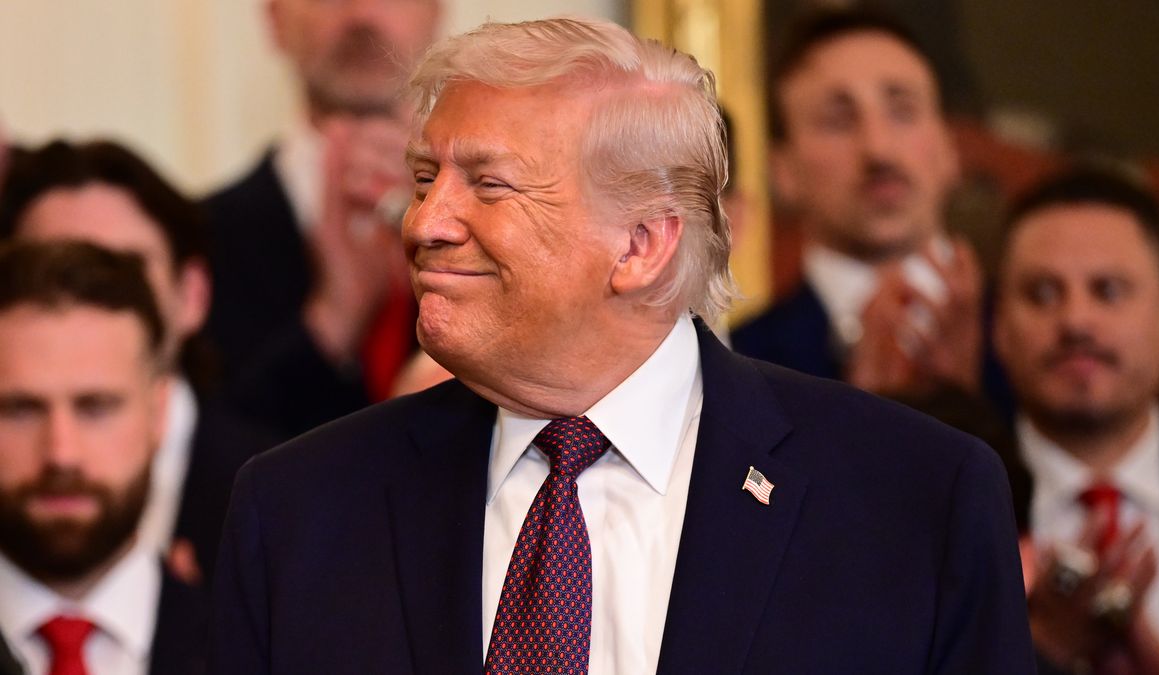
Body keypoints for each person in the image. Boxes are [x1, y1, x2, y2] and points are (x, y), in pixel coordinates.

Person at [209, 17, 1033, 674]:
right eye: (425, 180)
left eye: (486, 184)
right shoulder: (297, 512)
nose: (425, 223)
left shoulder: (917, 500)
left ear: (641, 245)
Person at [0, 140, 277, 582]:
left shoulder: (287, 485)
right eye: (50, 270)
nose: (81, 306)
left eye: (122, 270)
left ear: (191, 293)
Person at [992, 167, 1159, 674]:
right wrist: (1043, 651)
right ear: (998, 327)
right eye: (1042, 293)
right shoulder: (950, 501)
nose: (1075, 321)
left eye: (1108, 290)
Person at [204, 0, 442, 437]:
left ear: (436, 10)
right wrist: (331, 322)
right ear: (274, 19)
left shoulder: (517, 223)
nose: (362, 14)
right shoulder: (197, 238)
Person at [732, 8, 986, 404]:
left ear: (949, 147)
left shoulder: (1032, 340)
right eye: (838, 120)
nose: (878, 149)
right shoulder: (738, 366)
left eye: (902, 111)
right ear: (781, 170)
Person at [0, 242, 207, 675]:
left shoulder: (258, 647)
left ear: (160, 411)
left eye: (96, 408)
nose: (61, 453)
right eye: (20, 409)